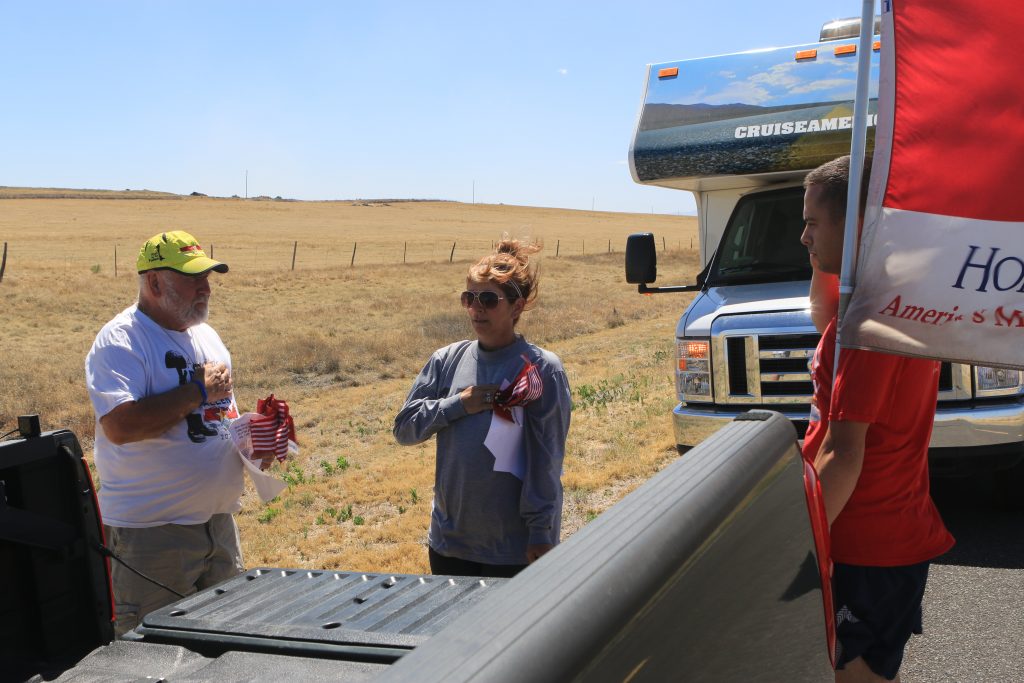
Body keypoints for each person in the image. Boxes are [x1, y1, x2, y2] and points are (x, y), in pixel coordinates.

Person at [800, 156, 954, 682]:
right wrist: (834, 257)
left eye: (813, 222)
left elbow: (844, 453)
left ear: (859, 225)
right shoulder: (887, 299)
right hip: (879, 538)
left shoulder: (870, 322)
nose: (803, 236)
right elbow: (822, 315)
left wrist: (794, 551)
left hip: (866, 545)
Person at [85, 230, 246, 636]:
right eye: (193, 279)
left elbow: (222, 414)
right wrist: (196, 391)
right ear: (154, 282)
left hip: (218, 525)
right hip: (152, 537)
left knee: (230, 645)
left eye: (206, 277)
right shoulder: (121, 341)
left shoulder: (206, 336)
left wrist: (256, 437)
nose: (206, 288)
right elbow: (121, 426)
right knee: (153, 653)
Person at [393, 237, 572, 578]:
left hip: (514, 549)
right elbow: (404, 429)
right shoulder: (446, 360)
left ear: (516, 307)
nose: (477, 309)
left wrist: (541, 532)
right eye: (469, 298)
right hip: (449, 544)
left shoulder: (541, 370)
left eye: (489, 299)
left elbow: (546, 459)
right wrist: (459, 404)